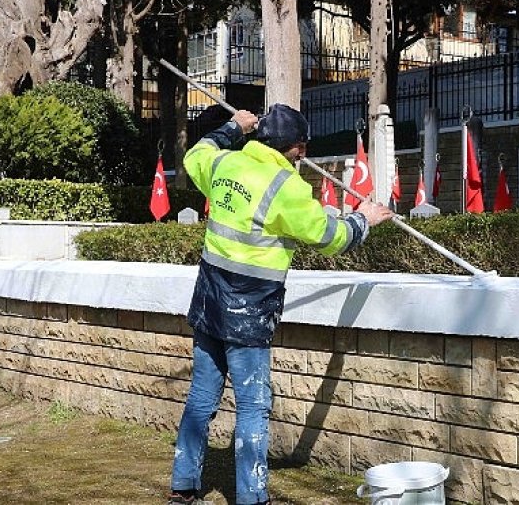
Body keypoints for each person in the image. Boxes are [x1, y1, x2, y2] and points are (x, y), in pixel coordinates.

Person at [169, 104, 394, 505]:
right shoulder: (286, 187)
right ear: (295, 148)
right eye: (301, 148)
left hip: (209, 305)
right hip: (250, 315)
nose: (303, 155)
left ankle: (183, 489)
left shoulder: (226, 164)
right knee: (254, 407)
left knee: (202, 400)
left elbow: (195, 154)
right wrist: (363, 218)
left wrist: (233, 126)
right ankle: (253, 498)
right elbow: (331, 237)